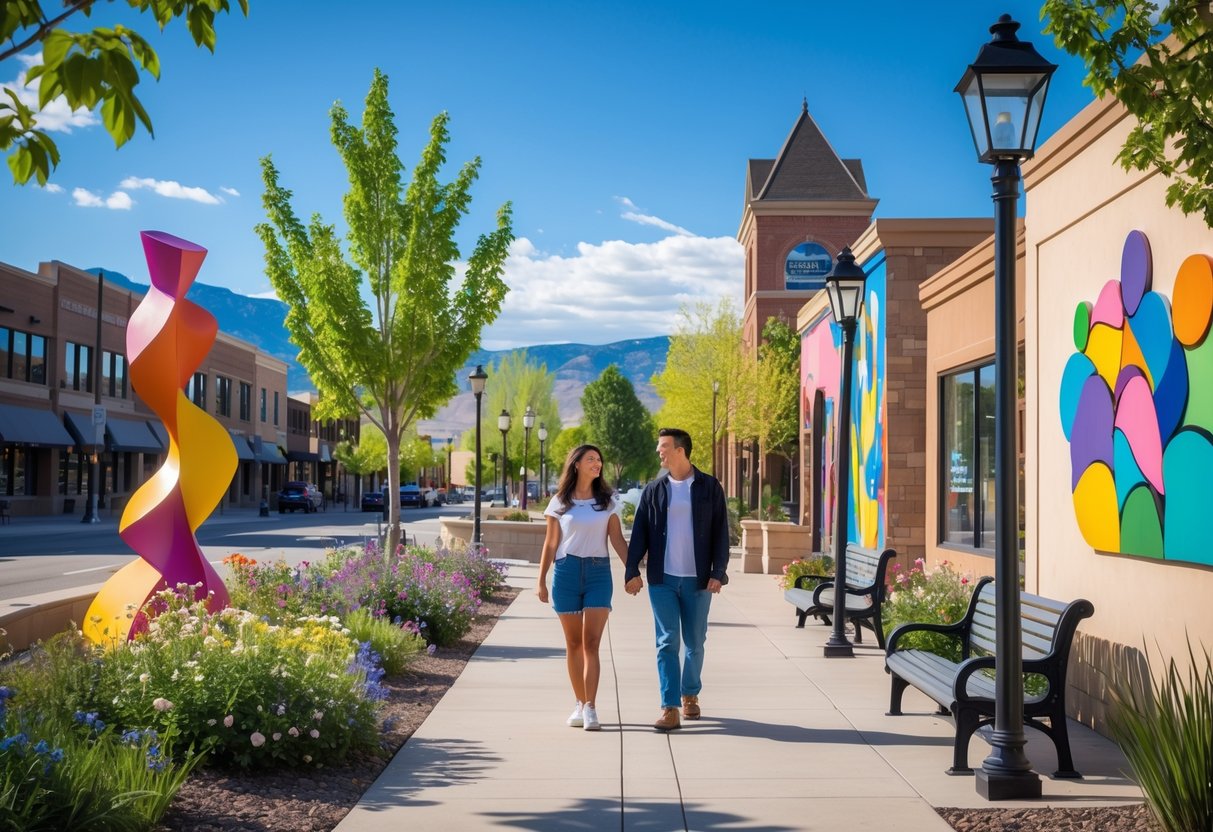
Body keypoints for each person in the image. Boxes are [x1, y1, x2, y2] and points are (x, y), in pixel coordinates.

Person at [625, 427, 729, 731]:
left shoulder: (709, 487)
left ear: (680, 450)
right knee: (667, 641)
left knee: (695, 643)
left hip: (698, 581)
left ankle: (690, 694)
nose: (660, 451)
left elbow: (721, 533)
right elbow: (640, 534)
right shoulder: (654, 490)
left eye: (664, 447)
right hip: (662, 579)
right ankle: (669, 706)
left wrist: (718, 573)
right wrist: (632, 572)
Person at [536, 444, 629, 731]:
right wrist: (541, 580)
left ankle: (591, 707)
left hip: (599, 573)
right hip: (566, 573)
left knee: (591, 643)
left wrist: (632, 571)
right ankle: (579, 702)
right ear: (576, 463)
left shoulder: (608, 501)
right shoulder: (560, 502)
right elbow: (551, 543)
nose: (597, 463)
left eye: (599, 459)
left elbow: (617, 540)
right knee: (573, 644)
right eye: (591, 459)